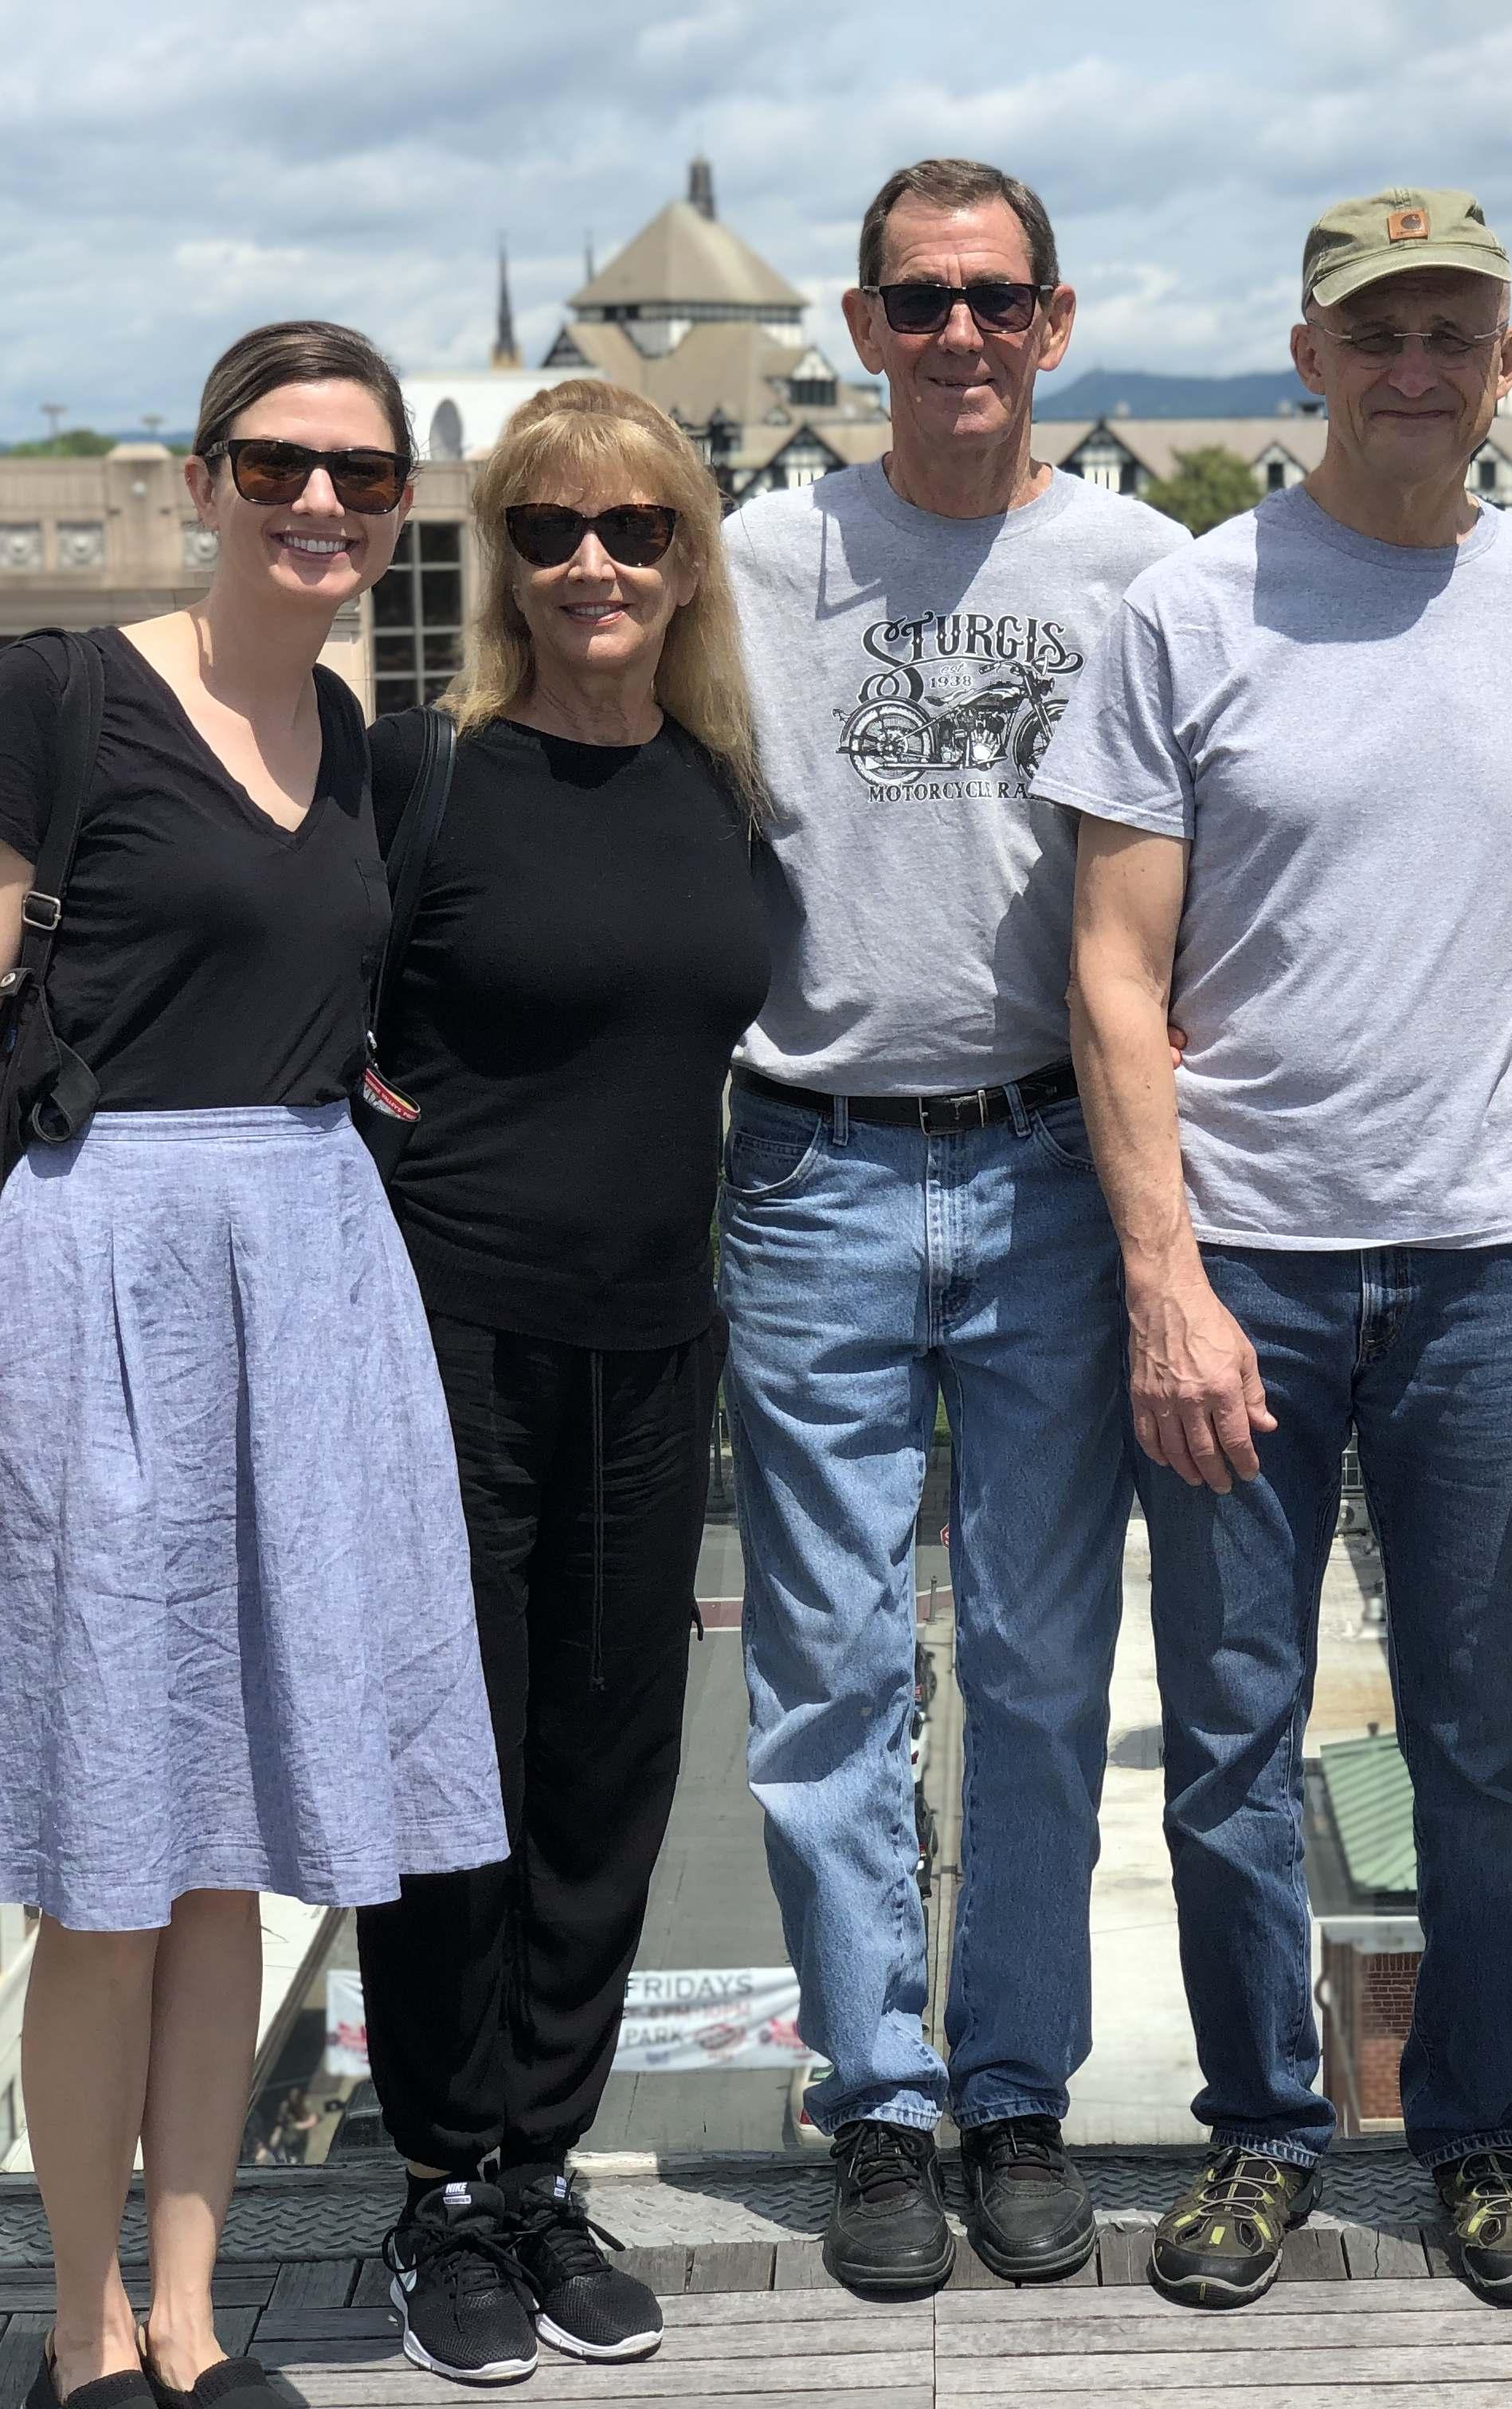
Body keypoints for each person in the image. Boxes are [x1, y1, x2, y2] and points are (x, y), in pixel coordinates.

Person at [1047, 186, 1512, 2312]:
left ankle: (1482, 2135)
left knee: (1483, 1743)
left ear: (1505, 359)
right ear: (1308, 355)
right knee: (1225, 1736)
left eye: (1452, 332)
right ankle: (1262, 2135)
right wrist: (1164, 1278)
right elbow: (1114, 976)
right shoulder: (1192, 611)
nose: (1413, 370)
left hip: (1490, 1255)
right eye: (1375, 333)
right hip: (1253, 1268)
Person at [0, 323, 506, 2409]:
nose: (321, 504)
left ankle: (193, 2318)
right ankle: (81, 2320)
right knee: (107, 1849)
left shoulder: (365, 738)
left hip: (303, 1269)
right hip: (106, 1269)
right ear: (200, 477)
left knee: (223, 1849)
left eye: (363, 477)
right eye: (279, 465)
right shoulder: (56, 695)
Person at [717, 158, 1187, 2295]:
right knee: (823, 1671)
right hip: (810, 1157)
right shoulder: (756, 560)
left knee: (1032, 1662)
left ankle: (1013, 2089)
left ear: (1057, 322)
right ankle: (879, 2100)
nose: (963, 337)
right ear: (861, 323)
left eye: (997, 302)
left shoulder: (1148, 568)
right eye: (922, 304)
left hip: (1046, 1172)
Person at [351, 382, 771, 2385]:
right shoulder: (423, 774)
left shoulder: (725, 787)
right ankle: (435, 2181)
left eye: (634, 528)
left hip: (653, 1338)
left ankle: (540, 2164)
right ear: (498, 556)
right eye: (546, 529)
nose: (592, 562)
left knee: (610, 1773)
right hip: (445, 1336)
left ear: (688, 556)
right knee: (457, 1777)